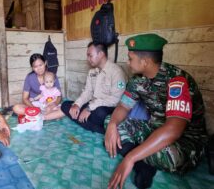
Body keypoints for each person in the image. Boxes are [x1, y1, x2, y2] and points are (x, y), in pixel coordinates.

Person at [105, 34, 208, 189]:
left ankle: (138, 156)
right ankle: (144, 158)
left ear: (145, 62)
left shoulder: (177, 80)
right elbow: (124, 106)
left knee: (170, 157)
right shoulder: (137, 79)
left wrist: (130, 158)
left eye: (130, 58)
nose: (127, 62)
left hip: (183, 140)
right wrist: (113, 124)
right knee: (109, 121)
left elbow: (174, 130)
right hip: (154, 128)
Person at [45, 42, 126, 134]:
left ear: (101, 54)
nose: (88, 59)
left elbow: (116, 99)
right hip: (92, 105)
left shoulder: (116, 72)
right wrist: (77, 105)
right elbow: (87, 92)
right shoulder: (92, 72)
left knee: (100, 113)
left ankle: (89, 123)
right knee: (66, 105)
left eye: (90, 55)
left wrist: (89, 108)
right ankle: (97, 128)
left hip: (107, 108)